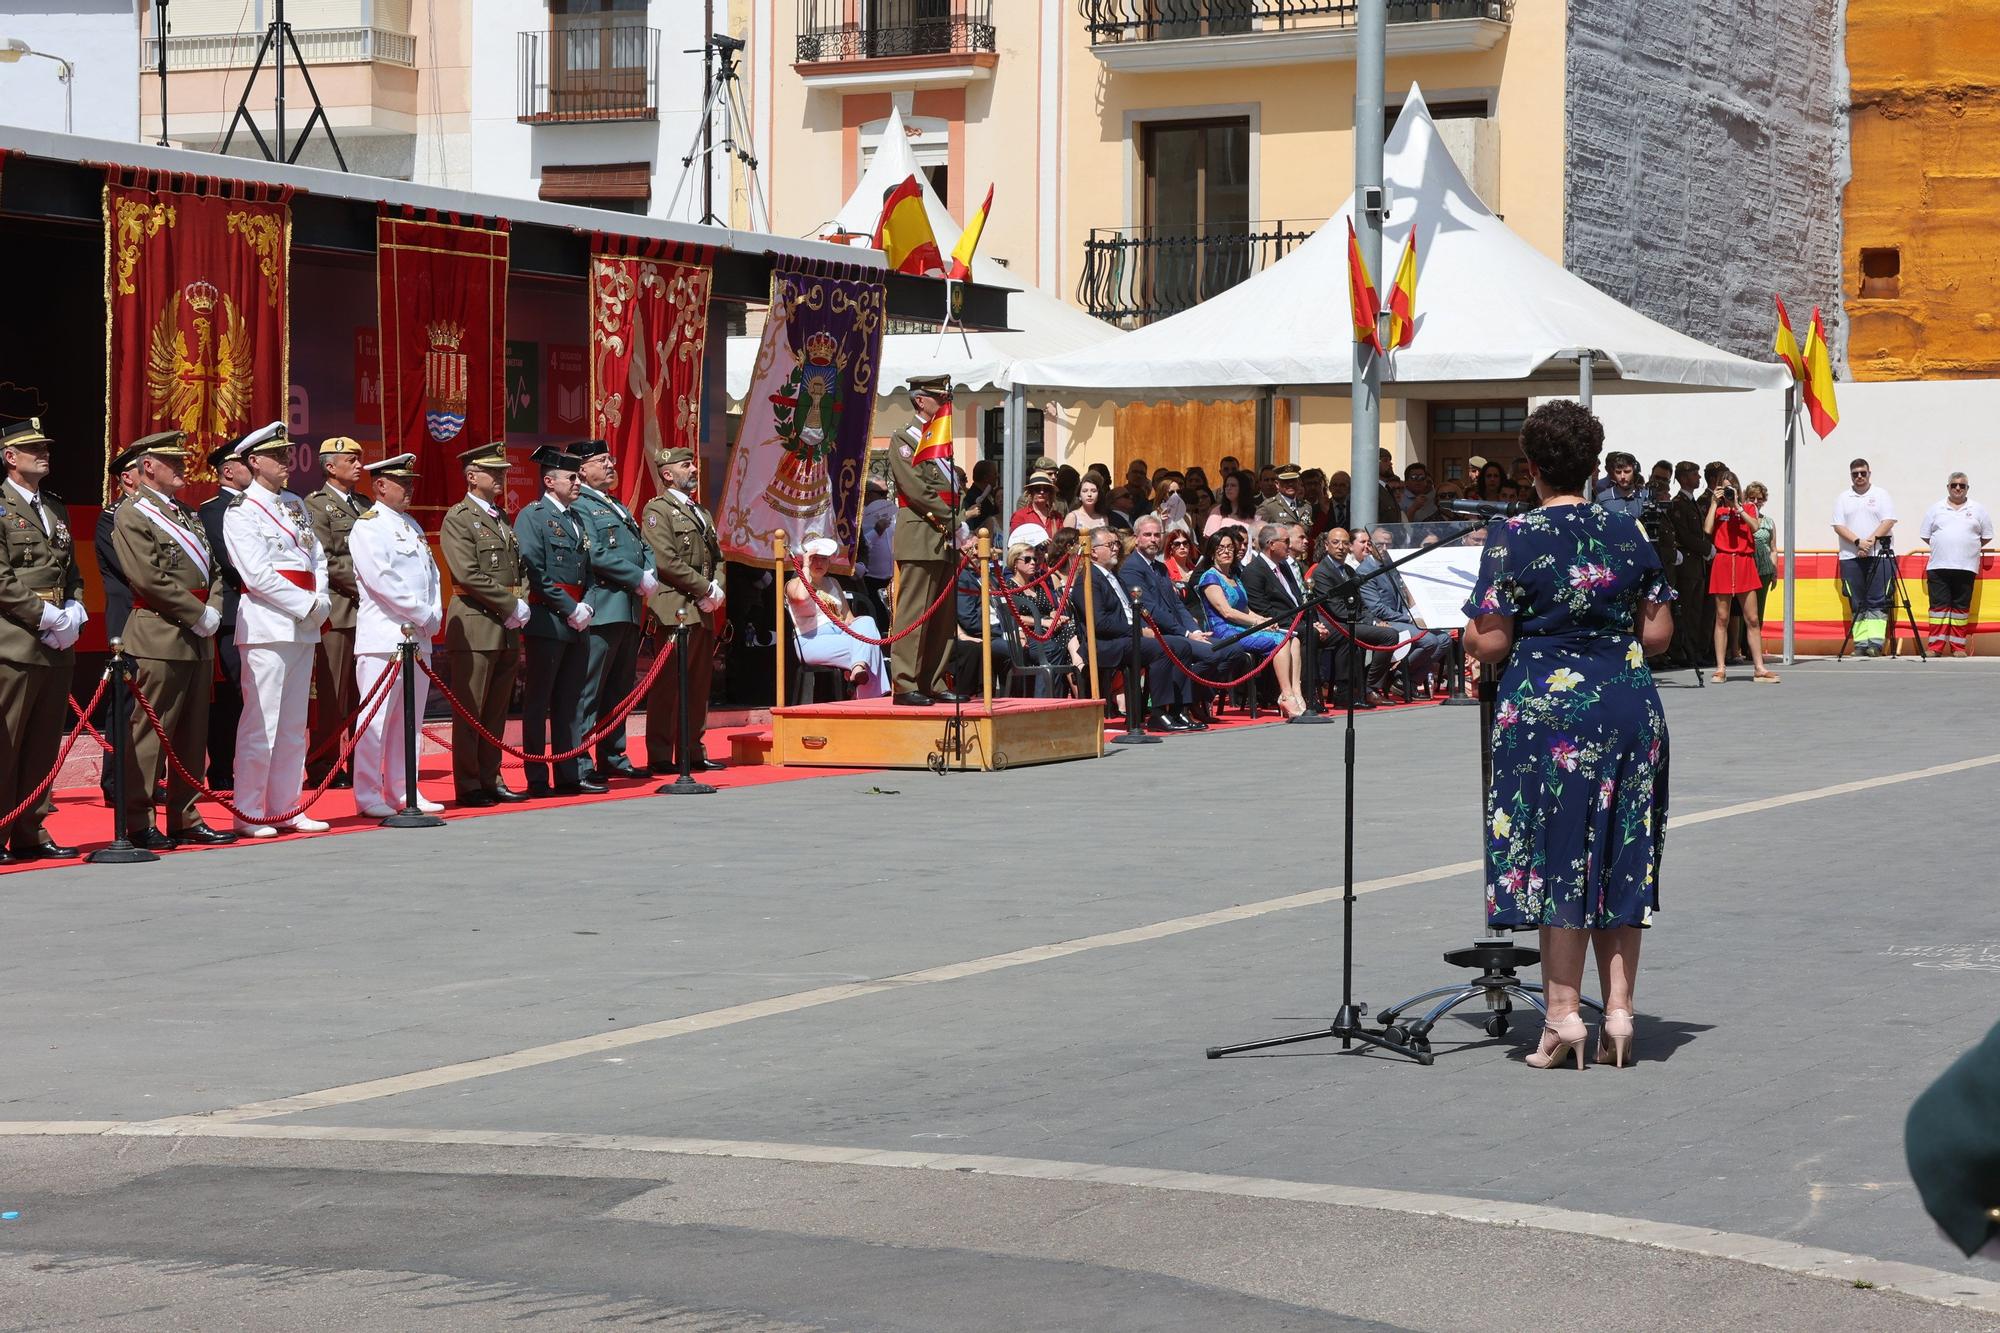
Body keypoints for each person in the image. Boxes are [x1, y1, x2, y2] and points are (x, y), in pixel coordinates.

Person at [1462, 399, 1674, 1071]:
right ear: (1592, 466)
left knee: (1560, 855)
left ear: (1530, 468)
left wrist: (1464, 634)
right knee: (1621, 850)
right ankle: (1618, 1011)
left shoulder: (1513, 536)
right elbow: (1658, 635)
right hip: (1626, 705)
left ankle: (1560, 1016)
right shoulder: (1630, 531)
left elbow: (1491, 642)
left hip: (1547, 714)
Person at [111, 430, 236, 849]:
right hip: (158, 635)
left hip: (197, 637)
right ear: (148, 467)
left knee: (190, 734)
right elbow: (147, 577)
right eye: (173, 461)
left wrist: (214, 608)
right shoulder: (132, 514)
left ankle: (185, 815)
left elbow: (214, 569)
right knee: (150, 732)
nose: (183, 466)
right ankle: (138, 819)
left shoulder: (185, 513)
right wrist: (198, 612)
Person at [219, 422, 333, 836]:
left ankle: (287, 806)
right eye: (279, 455)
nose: (288, 462)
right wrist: (307, 605)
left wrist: (320, 600)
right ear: (254, 461)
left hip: (304, 624)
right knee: (261, 722)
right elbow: (257, 575)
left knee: (292, 724)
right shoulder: (241, 511)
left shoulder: (296, 504)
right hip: (268, 624)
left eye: (287, 454)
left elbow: (315, 557)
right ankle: (249, 810)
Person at [0, 417, 86, 863]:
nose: (44, 452)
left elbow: (68, 568)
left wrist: (74, 607)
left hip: (55, 640)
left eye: (45, 446)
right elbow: (1, 577)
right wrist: (45, 614)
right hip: (14, 639)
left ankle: (31, 829)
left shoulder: (54, 506)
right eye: (33, 448)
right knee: (7, 742)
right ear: (10, 457)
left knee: (43, 742)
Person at [349, 454, 444, 818]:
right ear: (380, 486)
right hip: (385, 637)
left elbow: (431, 575)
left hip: (418, 636)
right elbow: (381, 580)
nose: (409, 490)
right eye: (402, 483)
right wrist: (422, 613)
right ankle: (368, 792)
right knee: (376, 718)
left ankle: (405, 789)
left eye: (411, 483)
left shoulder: (411, 525)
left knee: (411, 718)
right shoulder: (369, 526)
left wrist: (434, 612)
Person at [440, 441, 529, 807]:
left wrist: (519, 599)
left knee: (496, 709)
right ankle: (469, 782)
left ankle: (492, 776)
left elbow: (518, 567)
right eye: (494, 472)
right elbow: (468, 574)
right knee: (471, 709)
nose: (501, 478)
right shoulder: (459, 518)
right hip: (476, 623)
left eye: (503, 472)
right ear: (472, 476)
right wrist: (511, 603)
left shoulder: (500, 517)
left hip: (505, 625)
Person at [570, 438, 661, 782]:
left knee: (619, 690)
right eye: (602, 461)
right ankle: (579, 760)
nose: (610, 465)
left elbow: (642, 545)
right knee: (589, 689)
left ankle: (613, 754)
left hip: (627, 607)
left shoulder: (614, 504)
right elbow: (594, 553)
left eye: (611, 459)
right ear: (582, 469)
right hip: (603, 606)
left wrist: (649, 572)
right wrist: (638, 576)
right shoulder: (579, 504)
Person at [515, 444, 602, 796]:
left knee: (570, 701)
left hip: (578, 618)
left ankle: (569, 774)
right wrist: (571, 608)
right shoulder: (532, 516)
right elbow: (535, 571)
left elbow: (591, 570)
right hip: (548, 619)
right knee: (539, 701)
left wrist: (589, 607)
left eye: (578, 476)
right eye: (571, 477)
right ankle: (537, 777)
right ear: (549, 481)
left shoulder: (577, 518)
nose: (578, 482)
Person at [641, 445, 726, 773]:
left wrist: (716, 588)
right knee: (668, 685)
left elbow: (717, 557)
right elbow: (665, 560)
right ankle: (661, 754)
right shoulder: (658, 511)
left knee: (698, 684)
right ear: (667, 473)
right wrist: (705, 588)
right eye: (686, 465)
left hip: (702, 608)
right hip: (674, 608)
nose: (694, 470)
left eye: (693, 464)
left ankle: (692, 751)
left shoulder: (701, 512)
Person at [887, 376, 967, 707]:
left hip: (944, 537)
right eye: (940, 398)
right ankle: (905, 683)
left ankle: (933, 679)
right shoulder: (904, 439)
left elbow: (952, 487)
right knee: (915, 613)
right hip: (921, 534)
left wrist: (956, 523)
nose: (945, 403)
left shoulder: (939, 440)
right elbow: (917, 489)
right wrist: (955, 520)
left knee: (942, 617)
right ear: (921, 401)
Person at [305, 435, 369, 788]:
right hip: (340, 610)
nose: (359, 465)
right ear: (331, 467)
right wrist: (368, 586)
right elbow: (326, 559)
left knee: (365, 693)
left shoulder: (363, 503)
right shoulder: (316, 505)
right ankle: (324, 766)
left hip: (369, 613)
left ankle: (363, 762)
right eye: (351, 460)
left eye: (359, 459)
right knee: (332, 697)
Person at [1122, 515, 1226, 729]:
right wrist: (1186, 634)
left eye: (1156, 535)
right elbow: (1150, 609)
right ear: (1136, 538)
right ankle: (1176, 707)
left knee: (1229, 649)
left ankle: (1185, 706)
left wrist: (1194, 630)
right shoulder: (1131, 568)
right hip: (1153, 632)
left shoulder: (1159, 568)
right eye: (1147, 535)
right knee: (1201, 651)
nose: (1153, 539)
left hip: (1175, 631)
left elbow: (1178, 605)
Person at [1080, 528, 1182, 730]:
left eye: (1117, 544)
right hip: (1106, 643)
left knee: (1180, 645)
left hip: (1126, 637)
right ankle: (1158, 712)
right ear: (1093, 552)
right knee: (1161, 650)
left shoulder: (1113, 576)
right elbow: (1100, 623)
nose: (1116, 549)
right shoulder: (1089, 579)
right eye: (1110, 545)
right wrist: (1136, 630)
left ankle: (1179, 710)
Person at [1195, 528, 1300, 710]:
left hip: (1241, 626)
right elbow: (1226, 612)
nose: (1226, 552)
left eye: (1230, 548)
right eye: (1221, 548)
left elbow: (1245, 609)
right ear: (1212, 553)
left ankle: (1295, 693)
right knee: (1280, 641)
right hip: (1223, 631)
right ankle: (1286, 696)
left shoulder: (1234, 577)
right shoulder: (1210, 577)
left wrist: (1264, 621)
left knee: (1294, 639)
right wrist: (1257, 623)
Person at [198, 442, 250, 791]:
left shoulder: (267, 505)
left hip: (269, 612)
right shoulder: (214, 509)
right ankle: (221, 769)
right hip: (234, 611)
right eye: (245, 462)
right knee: (230, 696)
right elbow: (229, 560)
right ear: (228, 470)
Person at [94, 444, 143, 805]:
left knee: (151, 706)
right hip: (127, 621)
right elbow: (136, 570)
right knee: (124, 702)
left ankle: (145, 778)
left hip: (157, 621)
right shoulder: (112, 518)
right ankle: (116, 782)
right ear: (127, 477)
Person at [788, 536, 888, 698]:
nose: (819, 564)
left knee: (867, 623)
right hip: (811, 641)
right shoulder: (795, 583)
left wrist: (864, 628)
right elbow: (800, 597)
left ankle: (858, 668)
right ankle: (870, 699)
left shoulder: (833, 582)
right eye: (814, 559)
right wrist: (805, 566)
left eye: (824, 559)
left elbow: (848, 618)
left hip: (841, 635)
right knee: (869, 646)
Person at [1703, 470, 1779, 683]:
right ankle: (1720, 667)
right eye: (1724, 487)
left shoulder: (1748, 508)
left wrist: (1736, 505)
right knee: (1722, 617)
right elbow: (1708, 529)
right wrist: (1713, 503)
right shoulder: (1718, 510)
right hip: (1724, 561)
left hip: (1745, 562)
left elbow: (1755, 527)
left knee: (1752, 618)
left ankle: (1759, 667)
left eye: (1731, 487)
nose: (1727, 491)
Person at [1356, 526, 1450, 694]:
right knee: (1429, 641)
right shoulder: (1365, 571)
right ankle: (1396, 674)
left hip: (1403, 618)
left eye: (1389, 545)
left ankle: (1405, 679)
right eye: (1380, 544)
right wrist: (1408, 618)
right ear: (1369, 546)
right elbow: (1376, 607)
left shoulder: (1391, 565)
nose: (1385, 549)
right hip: (1385, 621)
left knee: (1444, 639)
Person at [1312, 529, 1397, 707]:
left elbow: (1362, 604)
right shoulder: (1322, 572)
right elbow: (1338, 610)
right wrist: (1370, 622)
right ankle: (1368, 688)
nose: (1341, 547)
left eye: (1344, 543)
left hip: (1352, 621)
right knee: (1389, 636)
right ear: (1327, 546)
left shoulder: (1349, 570)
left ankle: (1364, 687)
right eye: (1335, 543)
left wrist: (1374, 620)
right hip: (1335, 623)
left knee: (1389, 632)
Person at [1239, 522, 1314, 716]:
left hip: (1296, 621)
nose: (1289, 545)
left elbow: (1297, 600)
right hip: (1273, 624)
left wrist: (1311, 621)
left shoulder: (1285, 567)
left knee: (1330, 633)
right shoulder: (1254, 571)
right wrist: (1303, 624)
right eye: (1286, 541)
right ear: (1271, 544)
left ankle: (1300, 691)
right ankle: (1296, 693)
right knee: (1303, 635)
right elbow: (1263, 609)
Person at [1918, 472, 1994, 656]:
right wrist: (1946, 545)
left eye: (1962, 485)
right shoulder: (1935, 509)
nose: (1958, 488)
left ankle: (1958, 647)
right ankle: (1935, 647)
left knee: (1960, 609)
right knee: (1938, 609)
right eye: (1954, 485)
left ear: (1968, 488)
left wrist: (1966, 547)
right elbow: (1926, 535)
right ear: (1948, 487)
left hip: (1966, 567)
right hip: (1938, 567)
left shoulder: (1978, 509)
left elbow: (1986, 536)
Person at [1832, 457, 1898, 656]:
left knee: (1878, 599)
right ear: (1851, 475)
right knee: (1857, 600)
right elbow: (1838, 526)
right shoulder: (1843, 497)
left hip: (1879, 555)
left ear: (1869, 473)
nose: (1859, 477)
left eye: (1863, 473)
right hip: (1850, 557)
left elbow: (1888, 521)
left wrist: (1868, 542)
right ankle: (1860, 644)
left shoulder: (1881, 494)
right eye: (1855, 474)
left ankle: (1875, 644)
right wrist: (1857, 543)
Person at [1667, 460, 1711, 666]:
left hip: (1696, 567)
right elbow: (1684, 535)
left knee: (1695, 613)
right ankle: (1682, 651)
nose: (1699, 478)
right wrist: (1705, 548)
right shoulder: (1678, 503)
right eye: (1695, 474)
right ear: (1684, 478)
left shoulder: (1691, 502)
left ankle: (1693, 651)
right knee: (1684, 612)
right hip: (1686, 567)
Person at [1743, 480, 1778, 640]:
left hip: (1764, 570)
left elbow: (1773, 548)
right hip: (1746, 569)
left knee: (1759, 609)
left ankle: (1753, 647)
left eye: (1760, 499)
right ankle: (1738, 646)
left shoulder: (1769, 522)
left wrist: (1775, 572)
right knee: (1742, 610)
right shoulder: (1741, 518)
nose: (1756, 502)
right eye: (1752, 498)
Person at [859, 473, 896, 620]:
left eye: (887, 493)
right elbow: (860, 548)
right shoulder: (859, 518)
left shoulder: (892, 514)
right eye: (881, 493)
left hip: (892, 579)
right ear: (867, 495)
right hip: (870, 579)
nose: (885, 497)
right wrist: (877, 531)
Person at [1256, 464, 1313, 528]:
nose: (1290, 484)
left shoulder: (1306, 506)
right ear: (1277, 484)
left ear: (1298, 482)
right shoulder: (1268, 507)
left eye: (1293, 480)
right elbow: (1256, 532)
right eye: (1286, 481)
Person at [1207, 469, 1258, 540]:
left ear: (1243, 488)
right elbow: (1211, 541)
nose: (1228, 488)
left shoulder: (1256, 511)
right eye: (1226, 485)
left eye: (1233, 485)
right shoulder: (1217, 511)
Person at [1009, 469, 1061, 538]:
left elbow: (1063, 541)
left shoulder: (1057, 517)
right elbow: (1014, 542)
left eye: (1045, 489)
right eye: (1037, 489)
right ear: (1031, 492)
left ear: (1050, 493)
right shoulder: (1020, 516)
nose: (1042, 492)